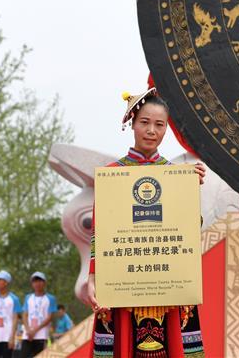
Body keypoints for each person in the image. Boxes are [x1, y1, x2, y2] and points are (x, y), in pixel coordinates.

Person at [86, 88, 206, 358]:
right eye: (144, 122)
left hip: (167, 286)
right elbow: (99, 231)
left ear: (165, 129)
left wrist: (190, 191)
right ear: (132, 124)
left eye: (159, 125)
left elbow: (188, 231)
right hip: (122, 283)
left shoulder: (177, 176)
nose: (151, 130)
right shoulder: (112, 176)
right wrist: (92, 277)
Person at [20, 272, 56, 357]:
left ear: (44, 283)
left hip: (41, 335)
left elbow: (49, 317)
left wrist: (35, 330)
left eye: (40, 281)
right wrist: (28, 330)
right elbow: (24, 314)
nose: (37, 283)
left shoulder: (50, 298)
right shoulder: (28, 297)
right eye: (35, 281)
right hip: (27, 335)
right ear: (32, 284)